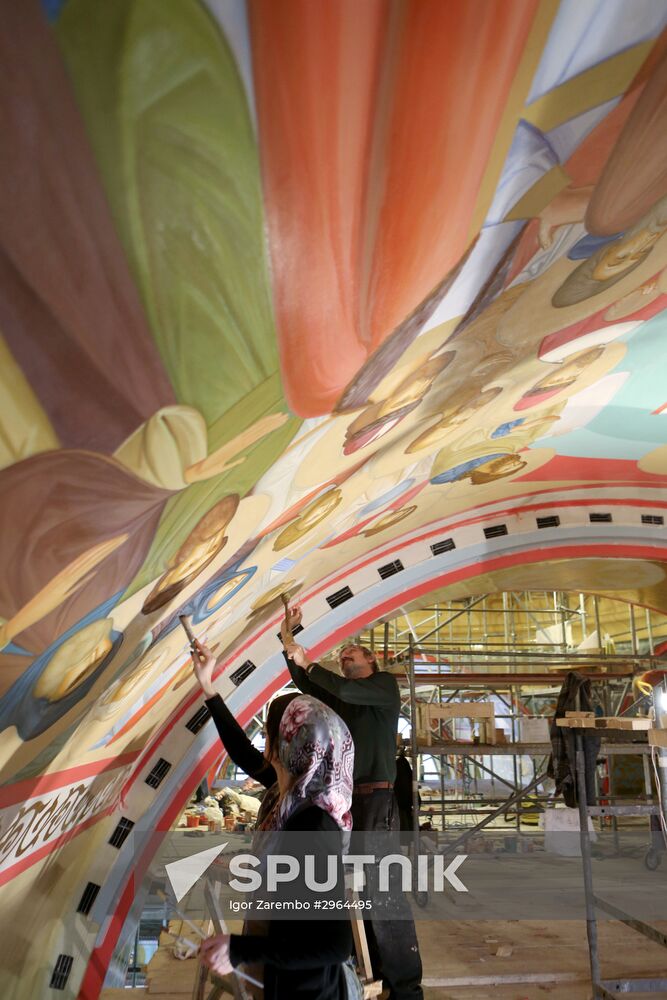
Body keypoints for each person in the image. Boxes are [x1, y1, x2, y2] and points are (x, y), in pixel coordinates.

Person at [283, 606, 424, 1000]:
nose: (345, 656)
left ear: (372, 660)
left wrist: (310, 662)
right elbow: (312, 688)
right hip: (351, 800)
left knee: (384, 890)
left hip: (378, 798)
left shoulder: (384, 686)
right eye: (342, 655)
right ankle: (379, 972)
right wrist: (288, 646)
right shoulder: (349, 702)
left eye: (352, 653)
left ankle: (407, 987)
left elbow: (339, 688)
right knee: (361, 891)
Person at [199, 694, 356, 999]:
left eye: (268, 736)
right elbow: (246, 756)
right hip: (293, 982)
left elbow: (335, 945)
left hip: (305, 991)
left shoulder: (309, 825)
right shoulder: (302, 795)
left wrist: (238, 949)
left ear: (284, 745)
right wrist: (211, 694)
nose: (263, 745)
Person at [190, 638, 298, 830]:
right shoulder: (285, 778)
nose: (264, 739)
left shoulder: (306, 798)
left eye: (268, 733)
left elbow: (241, 750)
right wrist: (206, 684)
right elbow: (241, 749)